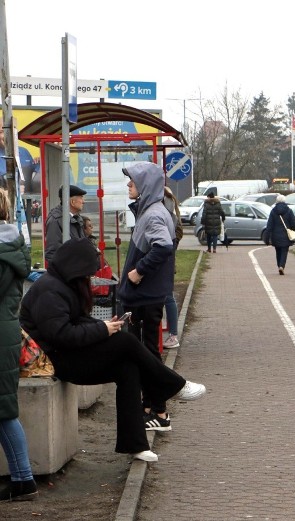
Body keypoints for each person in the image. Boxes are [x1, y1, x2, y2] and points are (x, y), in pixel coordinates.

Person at [19, 238, 205, 463]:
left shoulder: (63, 285)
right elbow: (62, 335)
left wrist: (105, 327)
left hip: (65, 355)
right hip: (53, 361)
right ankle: (174, 386)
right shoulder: (49, 291)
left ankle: (135, 445)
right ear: (76, 268)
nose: (89, 278)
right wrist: (102, 330)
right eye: (88, 273)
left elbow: (77, 322)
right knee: (125, 343)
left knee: (128, 368)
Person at [117, 162, 177, 433]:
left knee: (149, 354)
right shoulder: (152, 210)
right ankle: (150, 406)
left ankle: (161, 413)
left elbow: (163, 246)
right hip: (147, 296)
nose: (129, 186)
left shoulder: (152, 214)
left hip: (146, 296)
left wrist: (138, 272)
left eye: (132, 182)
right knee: (146, 352)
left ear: (145, 186)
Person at [0, 188, 38, 501]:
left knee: (4, 411)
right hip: (6, 334)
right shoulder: (10, 245)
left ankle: (24, 479)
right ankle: (22, 479)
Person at [44, 184, 86, 265]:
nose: (83, 201)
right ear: (72, 202)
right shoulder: (56, 220)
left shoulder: (77, 217)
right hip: (69, 273)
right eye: (81, 198)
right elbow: (52, 253)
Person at [162, 187, 182, 349]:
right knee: (167, 296)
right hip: (167, 258)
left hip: (164, 260)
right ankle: (172, 333)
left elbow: (177, 232)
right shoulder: (171, 207)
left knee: (168, 296)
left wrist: (170, 248)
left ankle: (173, 334)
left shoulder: (167, 207)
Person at [265, 194, 295, 275]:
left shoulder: (273, 211)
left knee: (278, 251)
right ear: (284, 201)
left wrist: (267, 237)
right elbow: (293, 223)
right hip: (286, 235)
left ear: (277, 201)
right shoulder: (289, 211)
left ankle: (279, 265)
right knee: (284, 251)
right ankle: (282, 266)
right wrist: (293, 230)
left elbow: (269, 225)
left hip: (275, 236)